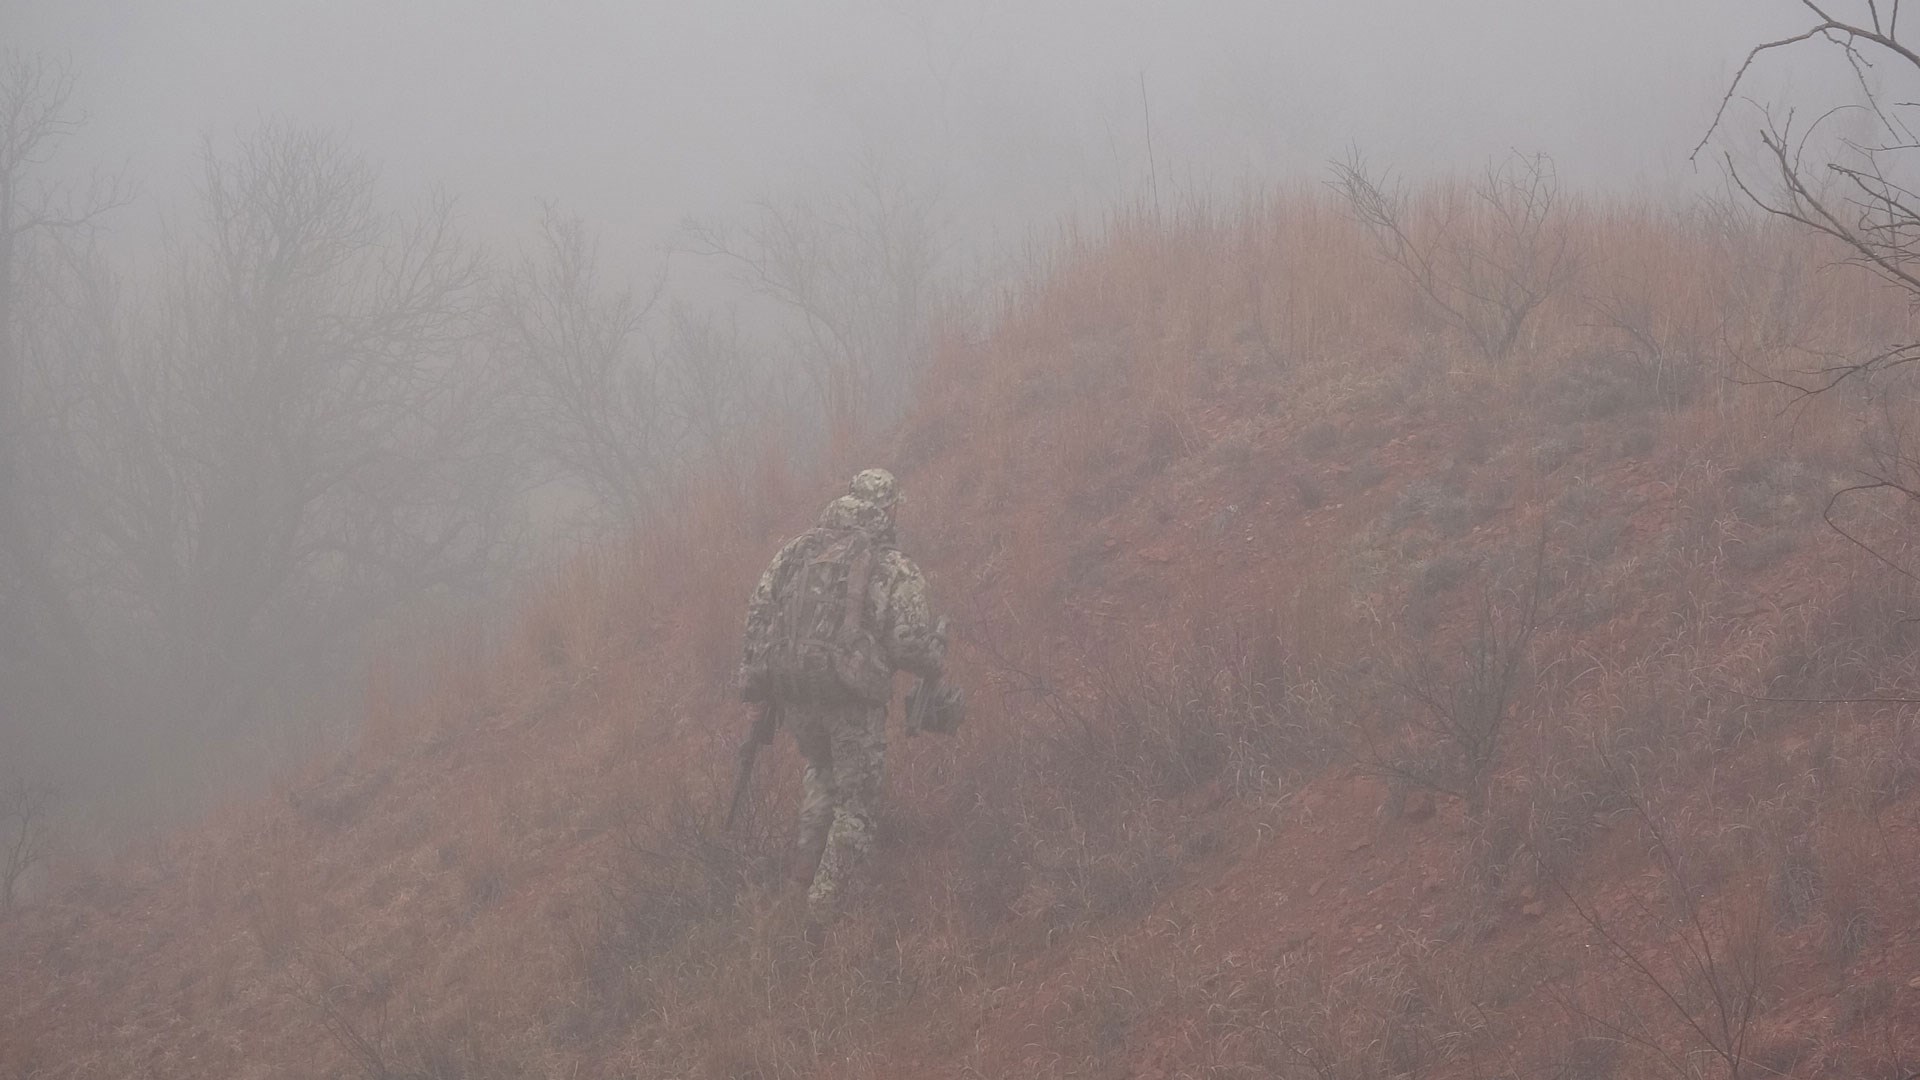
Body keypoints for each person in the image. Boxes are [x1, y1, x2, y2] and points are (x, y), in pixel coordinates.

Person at [738, 468, 947, 921]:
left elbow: (759, 616)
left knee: (821, 773)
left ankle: (799, 884)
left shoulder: (795, 552)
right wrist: (936, 659)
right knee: (856, 805)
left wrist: (754, 689)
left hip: (794, 693)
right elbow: (909, 641)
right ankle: (827, 912)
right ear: (889, 508)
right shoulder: (889, 563)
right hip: (850, 698)